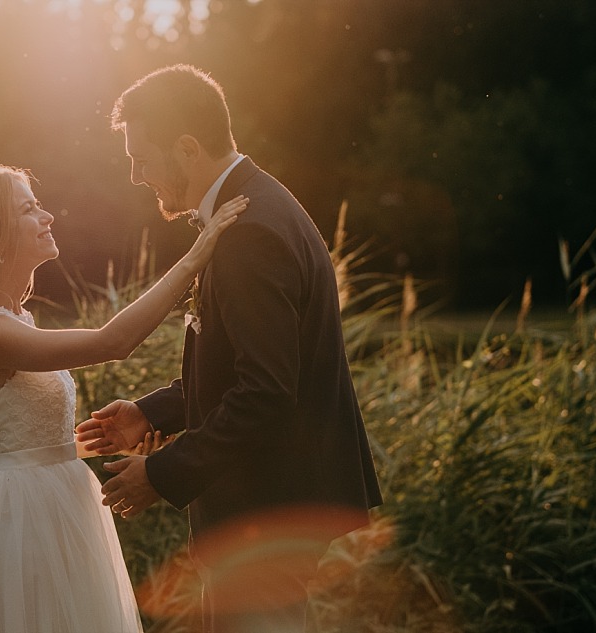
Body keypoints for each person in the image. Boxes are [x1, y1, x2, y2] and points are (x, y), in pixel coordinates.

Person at [75, 64, 383, 633]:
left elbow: (265, 392)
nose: (138, 176)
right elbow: (238, 369)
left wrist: (161, 473)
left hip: (268, 508)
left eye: (142, 158)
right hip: (267, 503)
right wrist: (150, 412)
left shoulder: (251, 232)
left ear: (188, 148)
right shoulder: (247, 210)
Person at [0, 164, 247, 632]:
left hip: (61, 497)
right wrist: (195, 259)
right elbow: (111, 343)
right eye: (29, 208)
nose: (48, 216)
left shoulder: (16, 319)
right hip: (24, 515)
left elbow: (29, 437)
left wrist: (106, 441)